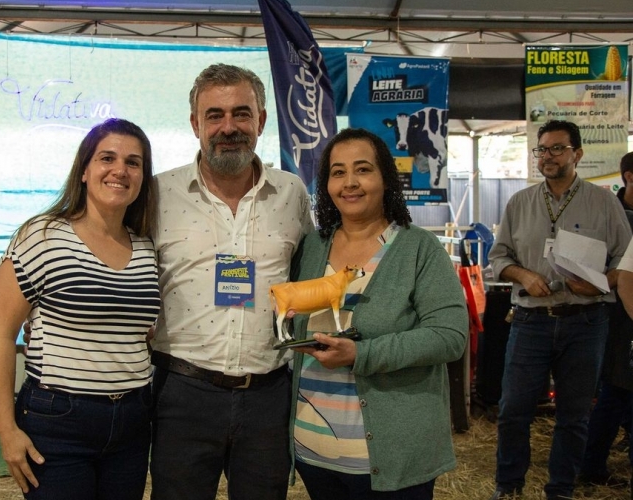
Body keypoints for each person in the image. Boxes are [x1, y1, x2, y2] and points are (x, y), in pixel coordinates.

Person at [149, 63, 314, 500]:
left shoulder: (293, 193)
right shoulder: (155, 194)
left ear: (261, 120)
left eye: (242, 113)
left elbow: (309, 273)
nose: (229, 127)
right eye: (215, 115)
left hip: (268, 395)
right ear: (195, 124)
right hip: (182, 394)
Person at [285, 127, 467, 499]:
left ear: (386, 178)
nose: (349, 183)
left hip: (392, 456)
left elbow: (450, 337)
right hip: (314, 454)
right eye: (337, 172)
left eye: (363, 169)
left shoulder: (419, 248)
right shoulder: (310, 248)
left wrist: (361, 355)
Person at [0, 118, 160, 500]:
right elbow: (0, 334)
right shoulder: (42, 235)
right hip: (58, 418)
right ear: (84, 170)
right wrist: (6, 429)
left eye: (133, 162)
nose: (120, 170)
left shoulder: (146, 248)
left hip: (133, 419)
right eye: (107, 158)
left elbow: (138, 331)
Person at [488, 120, 632, 500]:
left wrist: (603, 279)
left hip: (586, 320)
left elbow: (625, 258)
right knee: (513, 409)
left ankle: (561, 490)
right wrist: (523, 274)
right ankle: (509, 486)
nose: (547, 157)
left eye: (556, 148)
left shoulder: (603, 202)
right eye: (542, 150)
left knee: (575, 414)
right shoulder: (519, 202)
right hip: (531, 319)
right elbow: (499, 256)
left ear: (577, 154)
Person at [578, 151, 633, 490]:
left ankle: (595, 462)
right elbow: (620, 275)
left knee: (619, 393)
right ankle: (591, 464)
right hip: (617, 316)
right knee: (616, 389)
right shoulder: (612, 212)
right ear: (628, 176)